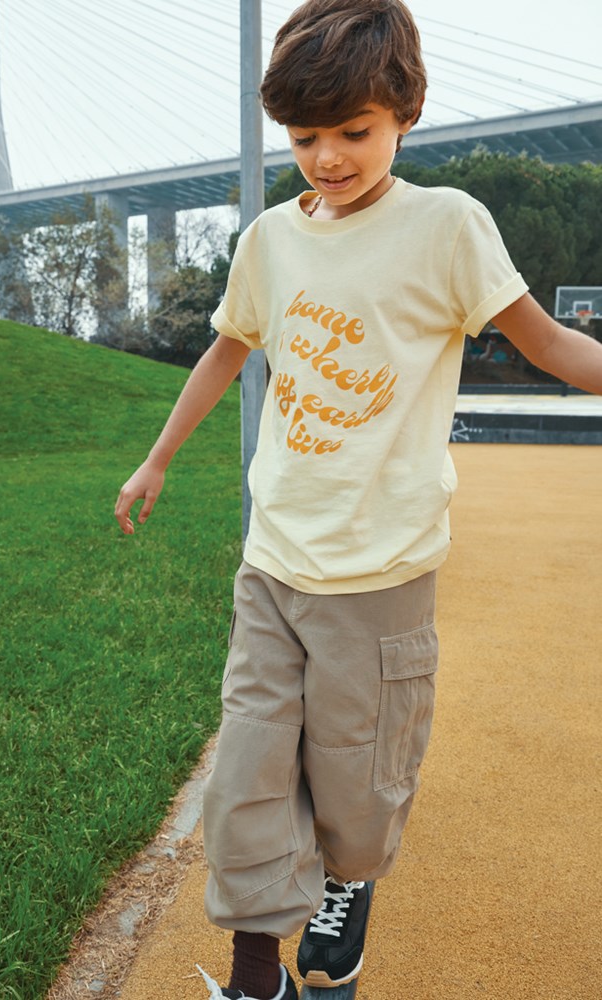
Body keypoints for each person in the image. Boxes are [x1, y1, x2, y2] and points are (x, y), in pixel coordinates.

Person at [114, 2, 602, 997]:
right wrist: (157, 458)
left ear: (406, 115)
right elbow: (228, 350)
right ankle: (258, 975)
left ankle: (349, 881)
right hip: (274, 562)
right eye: (304, 138)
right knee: (248, 772)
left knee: (357, 775)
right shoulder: (269, 240)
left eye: (353, 130)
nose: (327, 157)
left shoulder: (447, 226)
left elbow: (548, 341)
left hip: (381, 574)